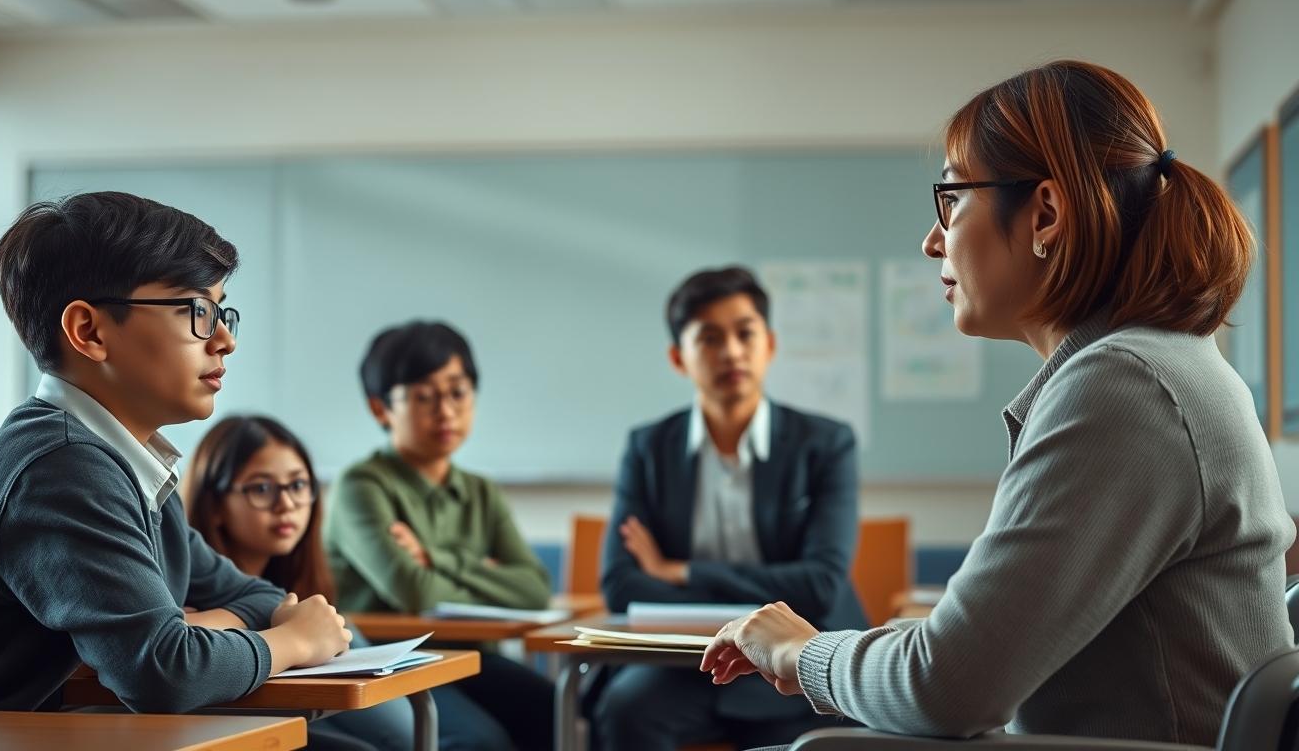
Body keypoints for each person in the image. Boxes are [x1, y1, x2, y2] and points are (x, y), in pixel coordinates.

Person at [701, 59, 1295, 747]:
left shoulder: (1124, 388)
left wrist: (800, 655)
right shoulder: (1156, 367)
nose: (932, 241)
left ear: (1045, 212)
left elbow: (945, 688)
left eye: (952, 201)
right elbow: (973, 654)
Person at [0, 192, 350, 712]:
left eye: (221, 311)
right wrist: (295, 643)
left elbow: (259, 598)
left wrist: (192, 629)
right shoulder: (62, 468)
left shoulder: (131, 463)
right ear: (89, 331)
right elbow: (165, 674)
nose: (225, 340)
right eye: (198, 311)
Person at [594, 266, 865, 750]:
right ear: (680, 357)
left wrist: (681, 572)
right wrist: (731, 615)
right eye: (711, 338)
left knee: (828, 731)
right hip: (690, 663)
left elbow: (820, 586)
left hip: (796, 656)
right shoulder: (648, 448)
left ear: (770, 345)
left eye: (745, 333)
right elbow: (621, 584)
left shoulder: (826, 444)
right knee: (624, 709)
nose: (732, 352)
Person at [325, 320, 554, 751]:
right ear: (380, 408)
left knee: (556, 710)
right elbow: (414, 590)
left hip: (470, 658)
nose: (446, 411)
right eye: (424, 397)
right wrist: (478, 573)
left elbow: (535, 589)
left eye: (457, 392)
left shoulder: (480, 489)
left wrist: (435, 557)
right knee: (480, 741)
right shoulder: (361, 485)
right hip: (390, 661)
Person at [185, 415, 414, 751]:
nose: (286, 504)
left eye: (297, 485)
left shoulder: (299, 589)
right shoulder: (188, 580)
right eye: (261, 488)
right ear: (215, 504)